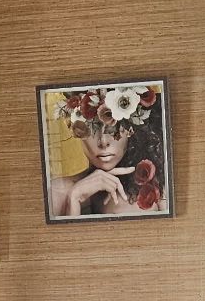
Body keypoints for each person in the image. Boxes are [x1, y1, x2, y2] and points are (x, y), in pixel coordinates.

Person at [47, 83, 166, 217]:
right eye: (93, 128)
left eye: (113, 127)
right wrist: (73, 200)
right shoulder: (56, 194)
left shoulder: (157, 187)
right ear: (77, 130)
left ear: (131, 128)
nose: (103, 142)